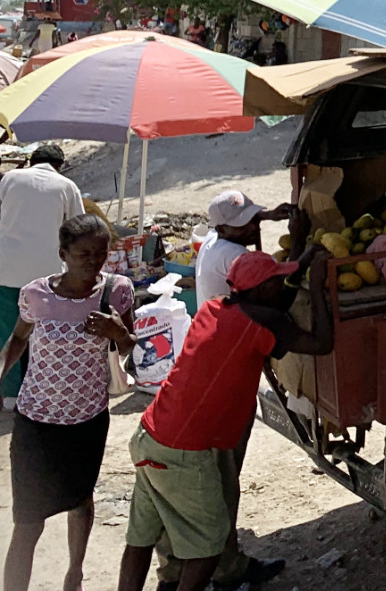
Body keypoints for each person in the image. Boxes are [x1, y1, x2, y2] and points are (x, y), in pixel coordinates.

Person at [118, 249, 333, 591]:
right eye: (277, 280)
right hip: (185, 451)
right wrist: (319, 288)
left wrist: (300, 265)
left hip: (151, 433)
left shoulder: (214, 306)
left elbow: (271, 307)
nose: (283, 284)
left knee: (145, 536)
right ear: (263, 290)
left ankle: (170, 582)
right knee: (210, 543)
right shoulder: (264, 323)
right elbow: (321, 343)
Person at [0, 214, 133, 591]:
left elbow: (133, 351)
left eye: (100, 253)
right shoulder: (35, 295)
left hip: (87, 420)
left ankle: (74, 573)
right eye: (82, 254)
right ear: (63, 254)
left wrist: (118, 332)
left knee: (80, 500)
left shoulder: (118, 291)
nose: (92, 261)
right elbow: (18, 339)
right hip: (36, 422)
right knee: (27, 522)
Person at [0, 144, 86, 407]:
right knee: (41, 333)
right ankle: (41, 391)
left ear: (30, 161)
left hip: (6, 269)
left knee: (7, 331)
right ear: (60, 164)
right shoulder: (66, 186)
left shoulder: (10, 179)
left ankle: (10, 396)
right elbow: (80, 229)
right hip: (45, 273)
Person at [193, 190, 294, 305]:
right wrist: (297, 242)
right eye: (242, 224)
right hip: (229, 322)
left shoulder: (212, 237)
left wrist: (267, 215)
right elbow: (281, 298)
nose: (253, 227)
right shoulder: (236, 256)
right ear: (221, 229)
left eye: (251, 218)